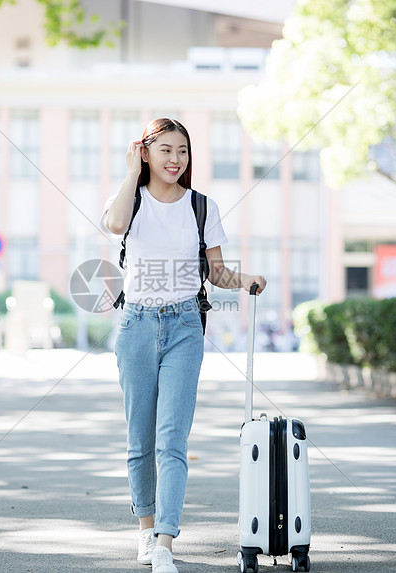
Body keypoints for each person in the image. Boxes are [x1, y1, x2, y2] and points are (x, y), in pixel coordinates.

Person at [102, 118, 267, 573]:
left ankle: (165, 543)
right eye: (166, 150)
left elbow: (215, 272)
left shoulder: (201, 207)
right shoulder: (131, 201)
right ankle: (144, 529)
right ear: (146, 153)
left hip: (185, 326)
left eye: (183, 151)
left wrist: (245, 278)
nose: (175, 160)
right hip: (136, 325)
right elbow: (114, 224)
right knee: (140, 441)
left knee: (171, 440)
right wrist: (130, 172)